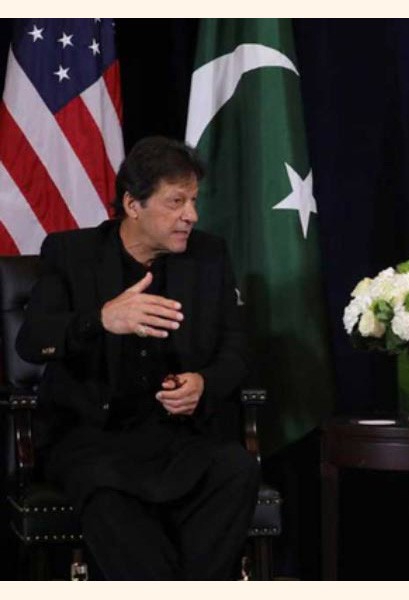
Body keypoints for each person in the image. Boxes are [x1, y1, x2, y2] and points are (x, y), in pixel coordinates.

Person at [16, 136, 259, 580]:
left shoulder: (209, 256)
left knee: (236, 469)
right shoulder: (71, 254)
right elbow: (32, 341)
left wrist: (204, 383)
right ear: (132, 204)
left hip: (179, 437)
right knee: (110, 498)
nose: (191, 215)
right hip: (92, 437)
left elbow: (236, 348)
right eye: (176, 202)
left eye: (193, 201)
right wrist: (101, 319)